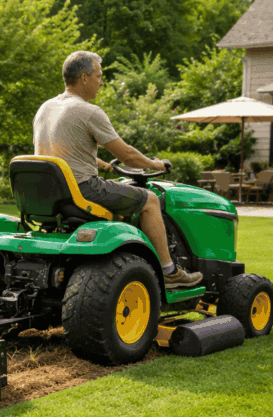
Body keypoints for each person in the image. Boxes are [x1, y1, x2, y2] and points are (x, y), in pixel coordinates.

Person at [33, 50, 203, 289]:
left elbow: (59, 155)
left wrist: (101, 164)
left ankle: (135, 258)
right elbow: (128, 156)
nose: (101, 82)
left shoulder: (46, 108)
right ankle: (170, 271)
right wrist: (156, 164)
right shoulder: (88, 111)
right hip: (82, 191)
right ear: (83, 78)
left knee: (126, 201)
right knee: (151, 201)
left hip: (49, 194)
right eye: (98, 76)